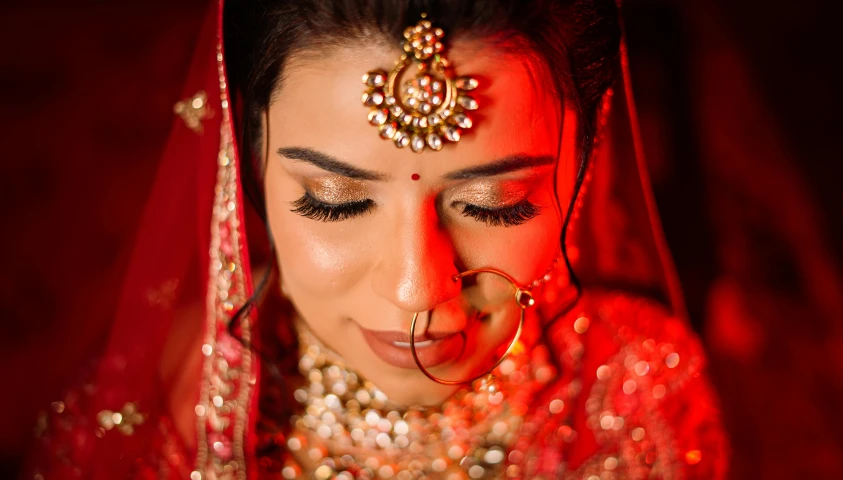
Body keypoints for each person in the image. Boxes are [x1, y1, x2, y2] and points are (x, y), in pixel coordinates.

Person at [25, 0, 728, 478]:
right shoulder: (149, 422)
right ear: (247, 157)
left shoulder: (641, 395)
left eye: (495, 203)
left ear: (585, 159)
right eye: (336, 202)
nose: (415, 289)